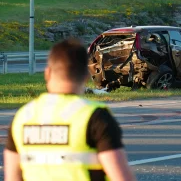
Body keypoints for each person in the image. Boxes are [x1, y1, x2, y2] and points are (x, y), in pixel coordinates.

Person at [3, 39, 136, 181]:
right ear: (86, 77)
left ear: (47, 73)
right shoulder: (95, 117)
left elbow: (12, 177)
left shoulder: (23, 117)